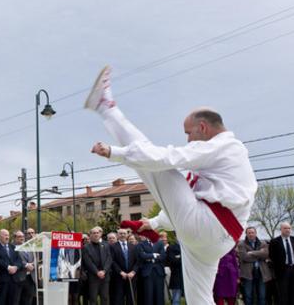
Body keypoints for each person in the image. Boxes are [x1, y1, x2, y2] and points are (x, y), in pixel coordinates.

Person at [86, 65, 257, 303]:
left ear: (203, 128)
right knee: (200, 299)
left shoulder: (227, 147)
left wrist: (116, 152)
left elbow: (168, 158)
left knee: (161, 168)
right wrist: (153, 223)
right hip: (217, 238)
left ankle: (106, 107)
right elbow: (184, 203)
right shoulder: (217, 164)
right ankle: (105, 108)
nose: (187, 139)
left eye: (189, 133)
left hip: (209, 226)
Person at [269, 222, 294, 305]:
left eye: (289, 228)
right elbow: (272, 256)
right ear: (281, 229)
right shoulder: (274, 241)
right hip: (282, 270)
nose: (287, 230)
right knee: (283, 293)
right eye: (285, 228)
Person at [237, 226, 271, 305]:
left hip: (261, 272)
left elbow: (265, 254)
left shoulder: (263, 243)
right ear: (246, 234)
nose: (251, 234)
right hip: (247, 273)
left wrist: (252, 253)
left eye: (252, 233)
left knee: (262, 295)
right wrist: (259, 254)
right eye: (249, 233)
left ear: (256, 233)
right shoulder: (241, 244)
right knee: (248, 295)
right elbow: (244, 257)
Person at [0, 229, 23, 305]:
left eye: (8, 235)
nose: (7, 237)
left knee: (13, 302)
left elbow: (19, 260)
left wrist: (16, 267)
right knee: (1, 301)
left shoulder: (13, 247)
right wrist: (8, 267)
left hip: (14, 280)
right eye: (5, 235)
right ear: (0, 236)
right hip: (2, 280)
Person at [81, 226, 111, 305]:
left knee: (105, 298)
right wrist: (97, 272)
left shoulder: (106, 245)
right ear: (90, 235)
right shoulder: (86, 247)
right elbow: (88, 262)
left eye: (97, 233)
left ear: (100, 234)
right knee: (93, 299)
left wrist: (104, 271)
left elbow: (109, 259)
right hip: (93, 277)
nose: (96, 234)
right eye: (94, 233)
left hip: (105, 276)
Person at [110, 226, 138, 305]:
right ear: (117, 235)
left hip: (131, 276)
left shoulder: (133, 246)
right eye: (120, 233)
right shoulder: (112, 246)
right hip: (118, 276)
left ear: (127, 235)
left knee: (131, 298)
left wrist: (133, 272)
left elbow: (138, 261)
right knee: (119, 298)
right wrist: (121, 272)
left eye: (124, 233)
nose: (122, 235)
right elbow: (112, 261)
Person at [136, 235, 166, 305]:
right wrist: (154, 255)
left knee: (159, 293)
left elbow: (163, 256)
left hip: (159, 272)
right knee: (148, 294)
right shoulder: (141, 244)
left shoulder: (160, 243)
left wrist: (148, 257)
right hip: (147, 272)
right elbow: (142, 256)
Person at [13, 231, 36, 305]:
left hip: (30, 277)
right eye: (19, 236)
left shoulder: (28, 246)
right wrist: (26, 265)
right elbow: (14, 260)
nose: (21, 238)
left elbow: (35, 257)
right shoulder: (12, 247)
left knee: (28, 300)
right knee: (16, 300)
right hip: (19, 278)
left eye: (22, 236)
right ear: (15, 238)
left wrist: (33, 264)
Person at [165, 239, 184, 305]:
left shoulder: (189, 247)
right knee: (176, 299)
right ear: (176, 236)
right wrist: (184, 258)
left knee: (191, 299)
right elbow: (172, 261)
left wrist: (179, 257)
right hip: (177, 276)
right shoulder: (171, 248)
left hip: (189, 277)